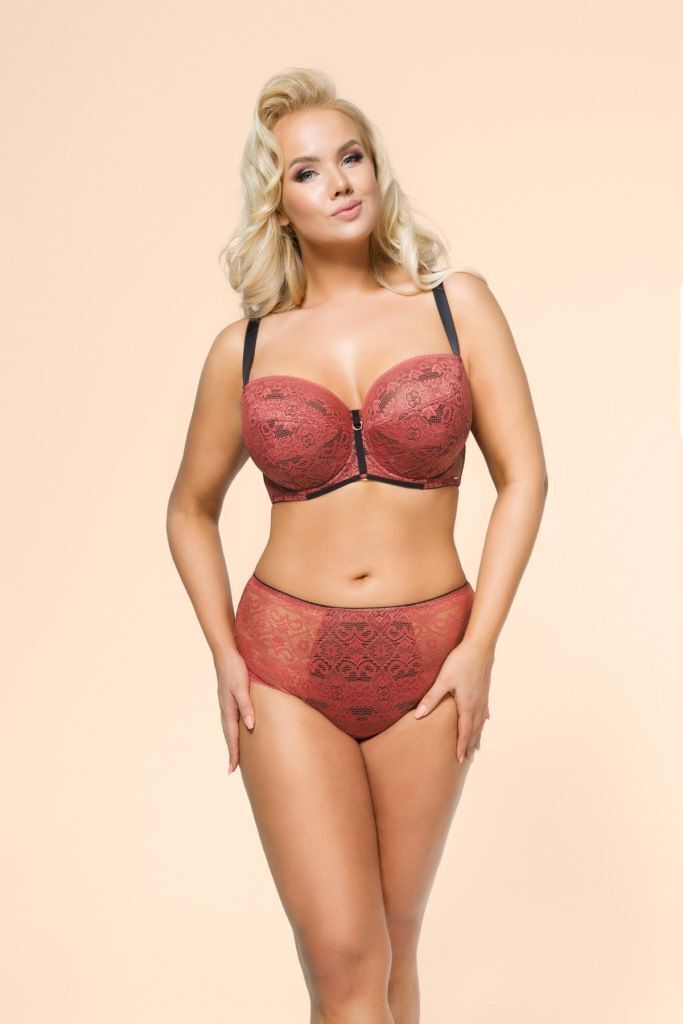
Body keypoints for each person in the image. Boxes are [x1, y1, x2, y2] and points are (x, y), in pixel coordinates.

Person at [167, 66, 548, 1024]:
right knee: (343, 959)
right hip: (284, 662)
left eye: (351, 157)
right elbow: (189, 509)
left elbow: (524, 479)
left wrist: (479, 647)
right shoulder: (242, 350)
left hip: (431, 658)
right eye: (307, 171)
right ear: (277, 203)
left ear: (377, 170)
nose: (338, 182)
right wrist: (223, 652)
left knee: (393, 946)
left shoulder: (456, 305)